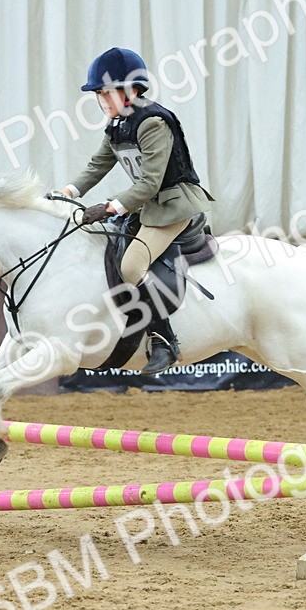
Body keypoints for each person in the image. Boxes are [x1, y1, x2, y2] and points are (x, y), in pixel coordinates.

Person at [57, 47, 213, 375]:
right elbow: (98, 164)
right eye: (98, 94)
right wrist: (68, 192)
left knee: (131, 265)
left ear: (131, 90)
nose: (101, 100)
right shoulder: (117, 125)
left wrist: (111, 206)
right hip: (146, 206)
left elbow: (151, 183)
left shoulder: (153, 122)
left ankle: (164, 339)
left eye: (106, 93)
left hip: (173, 206)